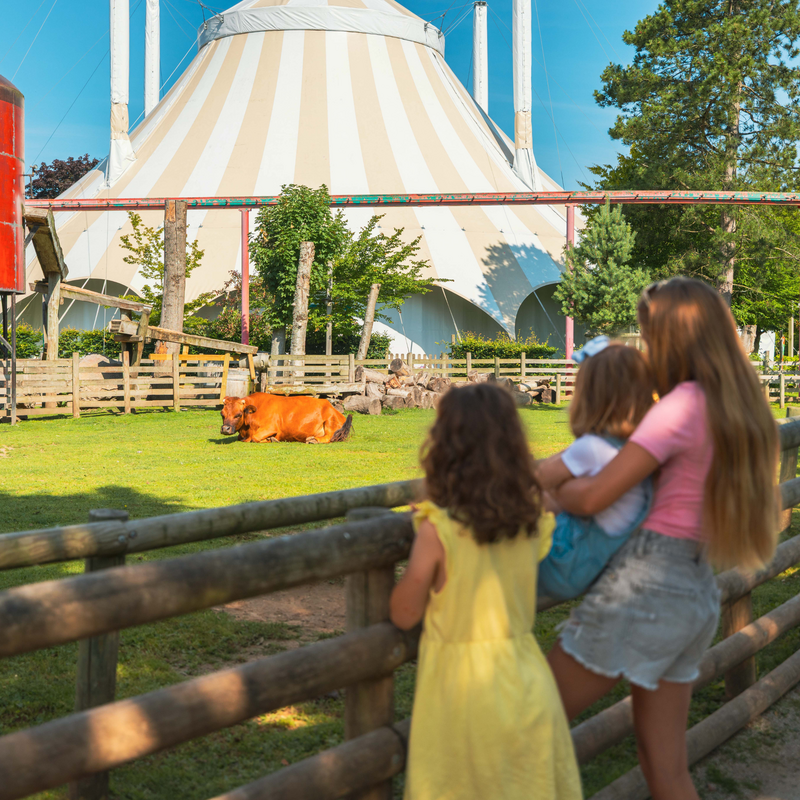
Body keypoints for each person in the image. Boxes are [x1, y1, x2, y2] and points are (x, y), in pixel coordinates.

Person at [548, 278, 779, 800]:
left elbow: (594, 497)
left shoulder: (679, 406)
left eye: (651, 336)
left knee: (526, 716)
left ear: (676, 338)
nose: (647, 349)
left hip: (647, 586)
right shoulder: (734, 406)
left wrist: (549, 492)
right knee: (666, 771)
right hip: (694, 590)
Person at [390, 382, 582, 800]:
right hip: (527, 680)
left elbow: (405, 613)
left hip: (463, 696)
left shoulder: (438, 529)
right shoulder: (529, 518)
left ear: (442, 447)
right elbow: (551, 502)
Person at [535, 337, 655, 603]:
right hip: (603, 561)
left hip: (564, 565)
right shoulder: (635, 449)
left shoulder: (591, 449)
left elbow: (537, 479)